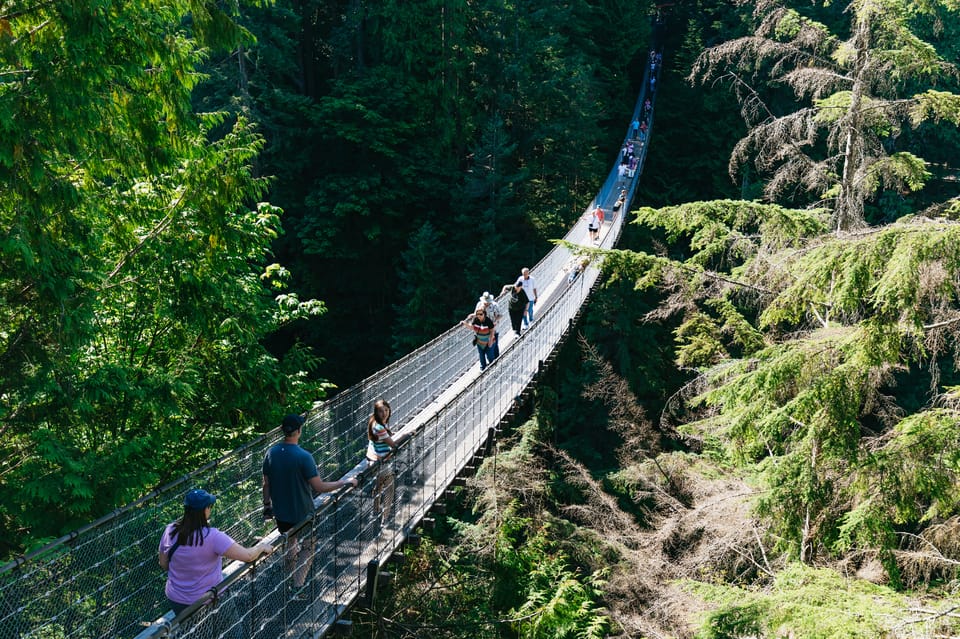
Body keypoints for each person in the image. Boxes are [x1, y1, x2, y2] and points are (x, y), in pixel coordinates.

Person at [262, 414, 358, 590]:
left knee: (290, 543)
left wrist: (267, 506)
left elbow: (266, 484)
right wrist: (344, 482)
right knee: (308, 547)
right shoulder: (304, 456)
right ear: (299, 431)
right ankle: (298, 584)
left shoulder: (271, 453)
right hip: (303, 512)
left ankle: (289, 581)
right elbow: (319, 487)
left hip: (281, 512)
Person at [159, 489, 274, 615]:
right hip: (208, 599)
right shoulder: (212, 536)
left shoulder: (170, 530)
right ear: (204, 510)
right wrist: (261, 547)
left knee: (191, 632)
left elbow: (164, 564)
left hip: (177, 600)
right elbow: (248, 556)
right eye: (210, 506)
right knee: (233, 632)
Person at [365, 399, 404, 529]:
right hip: (382, 464)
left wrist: (389, 434)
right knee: (390, 489)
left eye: (386, 410)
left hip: (373, 462)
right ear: (376, 412)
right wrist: (407, 435)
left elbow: (382, 436)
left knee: (379, 486)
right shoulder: (379, 427)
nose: (384, 413)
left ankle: (375, 512)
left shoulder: (374, 422)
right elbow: (394, 445)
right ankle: (384, 520)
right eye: (381, 411)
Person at [461, 305, 497, 370]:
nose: (479, 315)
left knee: (489, 355)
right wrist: (465, 324)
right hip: (480, 341)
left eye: (481, 314)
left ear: (484, 314)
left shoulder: (488, 321)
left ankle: (492, 366)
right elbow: (472, 327)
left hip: (488, 341)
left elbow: (492, 331)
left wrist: (491, 340)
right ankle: (482, 367)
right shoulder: (476, 320)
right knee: (481, 354)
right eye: (477, 314)